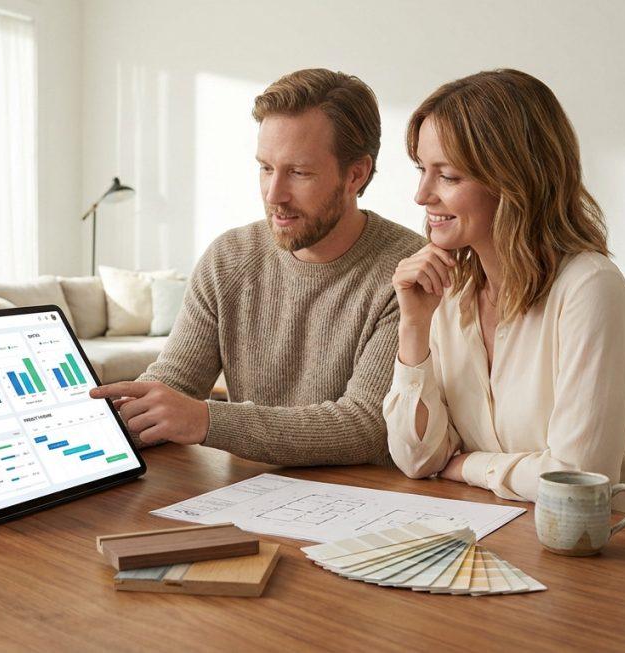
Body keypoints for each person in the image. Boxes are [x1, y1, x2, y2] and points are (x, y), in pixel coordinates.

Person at [90, 68, 425, 466]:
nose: (273, 194)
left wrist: (207, 419)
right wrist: (107, 419)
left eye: (298, 172)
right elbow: (177, 379)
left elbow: (365, 425)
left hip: (365, 503)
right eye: (266, 167)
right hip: (245, 494)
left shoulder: (407, 271)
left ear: (355, 174)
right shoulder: (229, 257)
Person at [383, 69, 625, 515]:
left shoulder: (591, 289)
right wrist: (414, 325)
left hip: (608, 541)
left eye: (449, 176)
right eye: (422, 169)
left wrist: (469, 465)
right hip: (495, 523)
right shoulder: (449, 295)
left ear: (516, 181)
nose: (421, 195)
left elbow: (576, 477)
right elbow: (418, 459)